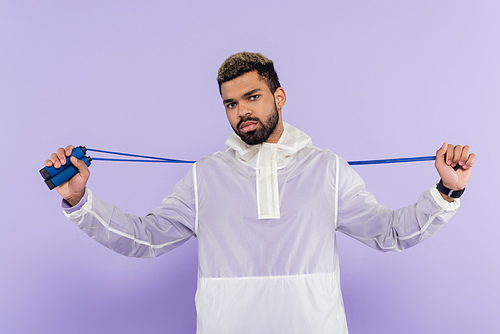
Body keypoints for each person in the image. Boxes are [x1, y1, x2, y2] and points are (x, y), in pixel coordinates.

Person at [44, 52, 475, 334]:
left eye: (252, 97)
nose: (242, 111)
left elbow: (390, 233)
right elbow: (145, 238)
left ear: (279, 96)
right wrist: (80, 201)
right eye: (231, 103)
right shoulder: (203, 176)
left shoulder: (327, 169)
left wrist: (445, 192)